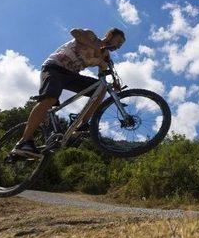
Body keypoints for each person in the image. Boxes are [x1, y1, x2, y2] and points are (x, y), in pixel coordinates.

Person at [12, 27, 126, 158]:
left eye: (121, 45)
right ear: (109, 35)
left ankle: (82, 124)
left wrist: (113, 81)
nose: (118, 46)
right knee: (50, 98)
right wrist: (96, 46)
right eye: (118, 41)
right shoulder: (91, 36)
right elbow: (74, 32)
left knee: (101, 89)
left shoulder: (105, 55)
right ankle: (24, 141)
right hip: (54, 67)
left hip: (72, 75)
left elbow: (102, 76)